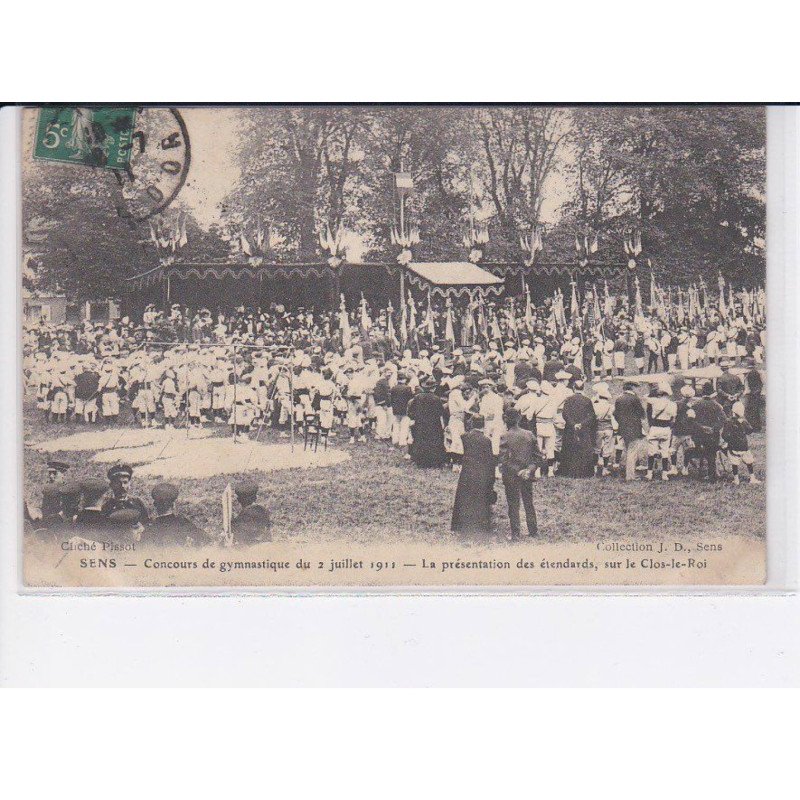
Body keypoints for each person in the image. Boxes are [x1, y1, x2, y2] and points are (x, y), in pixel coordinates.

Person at [498, 407, 543, 540]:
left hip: (512, 475)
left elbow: (503, 460)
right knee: (528, 502)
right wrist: (529, 470)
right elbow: (538, 458)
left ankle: (515, 534)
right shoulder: (529, 434)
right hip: (527, 475)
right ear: (518, 419)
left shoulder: (504, 436)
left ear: (506, 420)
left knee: (513, 504)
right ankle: (533, 530)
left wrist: (518, 472)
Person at [451, 414, 496, 536]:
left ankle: (461, 524)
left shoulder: (465, 437)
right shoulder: (486, 440)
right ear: (483, 424)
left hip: (467, 471)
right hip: (481, 472)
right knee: (480, 498)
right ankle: (479, 524)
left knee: (464, 497)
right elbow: (490, 460)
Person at [559, 379, 597, 477]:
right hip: (583, 429)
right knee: (583, 449)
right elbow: (592, 416)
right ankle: (585, 473)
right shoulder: (587, 400)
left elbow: (565, 414)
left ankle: (568, 472)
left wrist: (573, 424)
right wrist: (582, 424)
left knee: (569, 448)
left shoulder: (568, 399)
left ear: (573, 388)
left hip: (570, 429)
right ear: (583, 388)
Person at [690, 383, 726, 482]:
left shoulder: (696, 405)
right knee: (711, 454)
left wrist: (701, 427)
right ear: (712, 393)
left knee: (701, 452)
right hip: (712, 434)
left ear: (702, 391)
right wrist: (714, 428)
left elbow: (690, 419)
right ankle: (712, 475)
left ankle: (701, 473)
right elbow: (723, 419)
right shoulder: (717, 405)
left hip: (699, 434)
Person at [407, 377, 447, 468]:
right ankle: (433, 462)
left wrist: (415, 418)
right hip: (433, 424)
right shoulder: (436, 399)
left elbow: (411, 410)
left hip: (420, 423)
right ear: (433, 388)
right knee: (433, 442)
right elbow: (440, 412)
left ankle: (420, 461)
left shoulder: (417, 397)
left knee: (420, 441)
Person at [101, 464, 149, 536]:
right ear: (111, 485)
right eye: (118, 483)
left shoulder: (137, 503)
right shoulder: (107, 507)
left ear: (129, 484)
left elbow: (146, 524)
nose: (122, 486)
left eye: (125, 482)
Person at [613, 383, 647, 481]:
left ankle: (627, 472)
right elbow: (642, 413)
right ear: (632, 388)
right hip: (634, 428)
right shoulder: (634, 399)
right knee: (632, 452)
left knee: (627, 449)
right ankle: (630, 475)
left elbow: (615, 414)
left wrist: (621, 422)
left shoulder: (619, 399)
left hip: (623, 428)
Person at [722, 402, 761, 485]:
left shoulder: (728, 421)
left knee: (734, 462)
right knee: (749, 461)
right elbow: (750, 430)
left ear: (733, 411)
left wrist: (729, 440)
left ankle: (736, 479)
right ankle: (752, 477)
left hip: (733, 447)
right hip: (743, 446)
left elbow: (724, 435)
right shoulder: (744, 421)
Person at [645, 382, 677, 481]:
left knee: (651, 452)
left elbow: (645, 397)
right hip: (666, 428)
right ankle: (664, 474)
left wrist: (654, 391)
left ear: (660, 393)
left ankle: (649, 473)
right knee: (665, 451)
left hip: (655, 427)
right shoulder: (673, 404)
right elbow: (673, 418)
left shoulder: (655, 401)